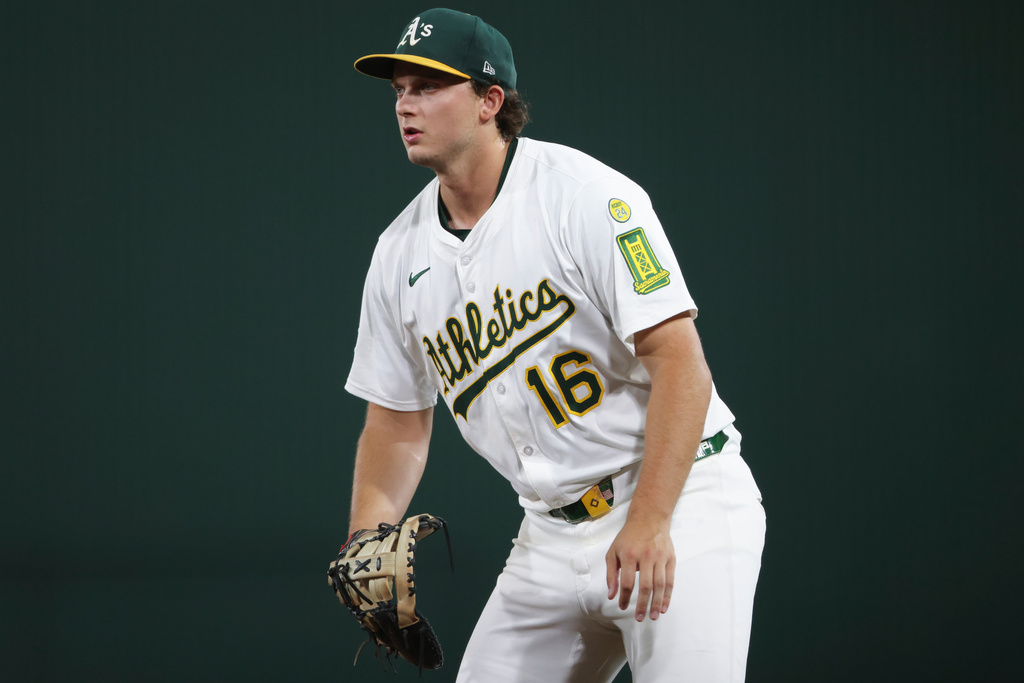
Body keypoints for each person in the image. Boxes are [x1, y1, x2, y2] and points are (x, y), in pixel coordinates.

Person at [342, 8, 766, 682]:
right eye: (398, 89)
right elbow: (396, 419)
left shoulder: (585, 198)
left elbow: (681, 364)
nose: (406, 104)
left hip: (679, 500)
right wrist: (367, 530)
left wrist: (653, 519)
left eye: (427, 85)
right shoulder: (397, 254)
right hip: (548, 533)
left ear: (491, 101)